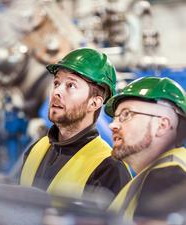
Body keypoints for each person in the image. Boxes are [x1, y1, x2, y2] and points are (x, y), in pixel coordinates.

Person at [20, 48, 131, 200]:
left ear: (94, 103)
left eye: (70, 85)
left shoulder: (109, 168)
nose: (56, 92)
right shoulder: (35, 149)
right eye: (57, 83)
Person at [105, 76, 186, 220]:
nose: (113, 125)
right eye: (115, 118)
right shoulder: (156, 172)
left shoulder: (169, 176)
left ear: (162, 126)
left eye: (126, 114)